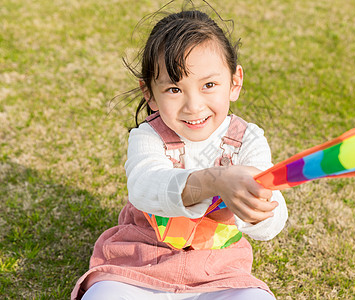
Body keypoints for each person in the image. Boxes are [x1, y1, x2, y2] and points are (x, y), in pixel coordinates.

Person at [72, 3, 288, 300]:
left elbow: (271, 225)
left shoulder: (248, 140)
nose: (193, 106)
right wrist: (215, 180)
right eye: (174, 89)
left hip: (219, 273)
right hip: (139, 266)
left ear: (234, 82)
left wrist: (259, 207)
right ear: (150, 93)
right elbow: (144, 186)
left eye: (209, 85)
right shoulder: (149, 136)